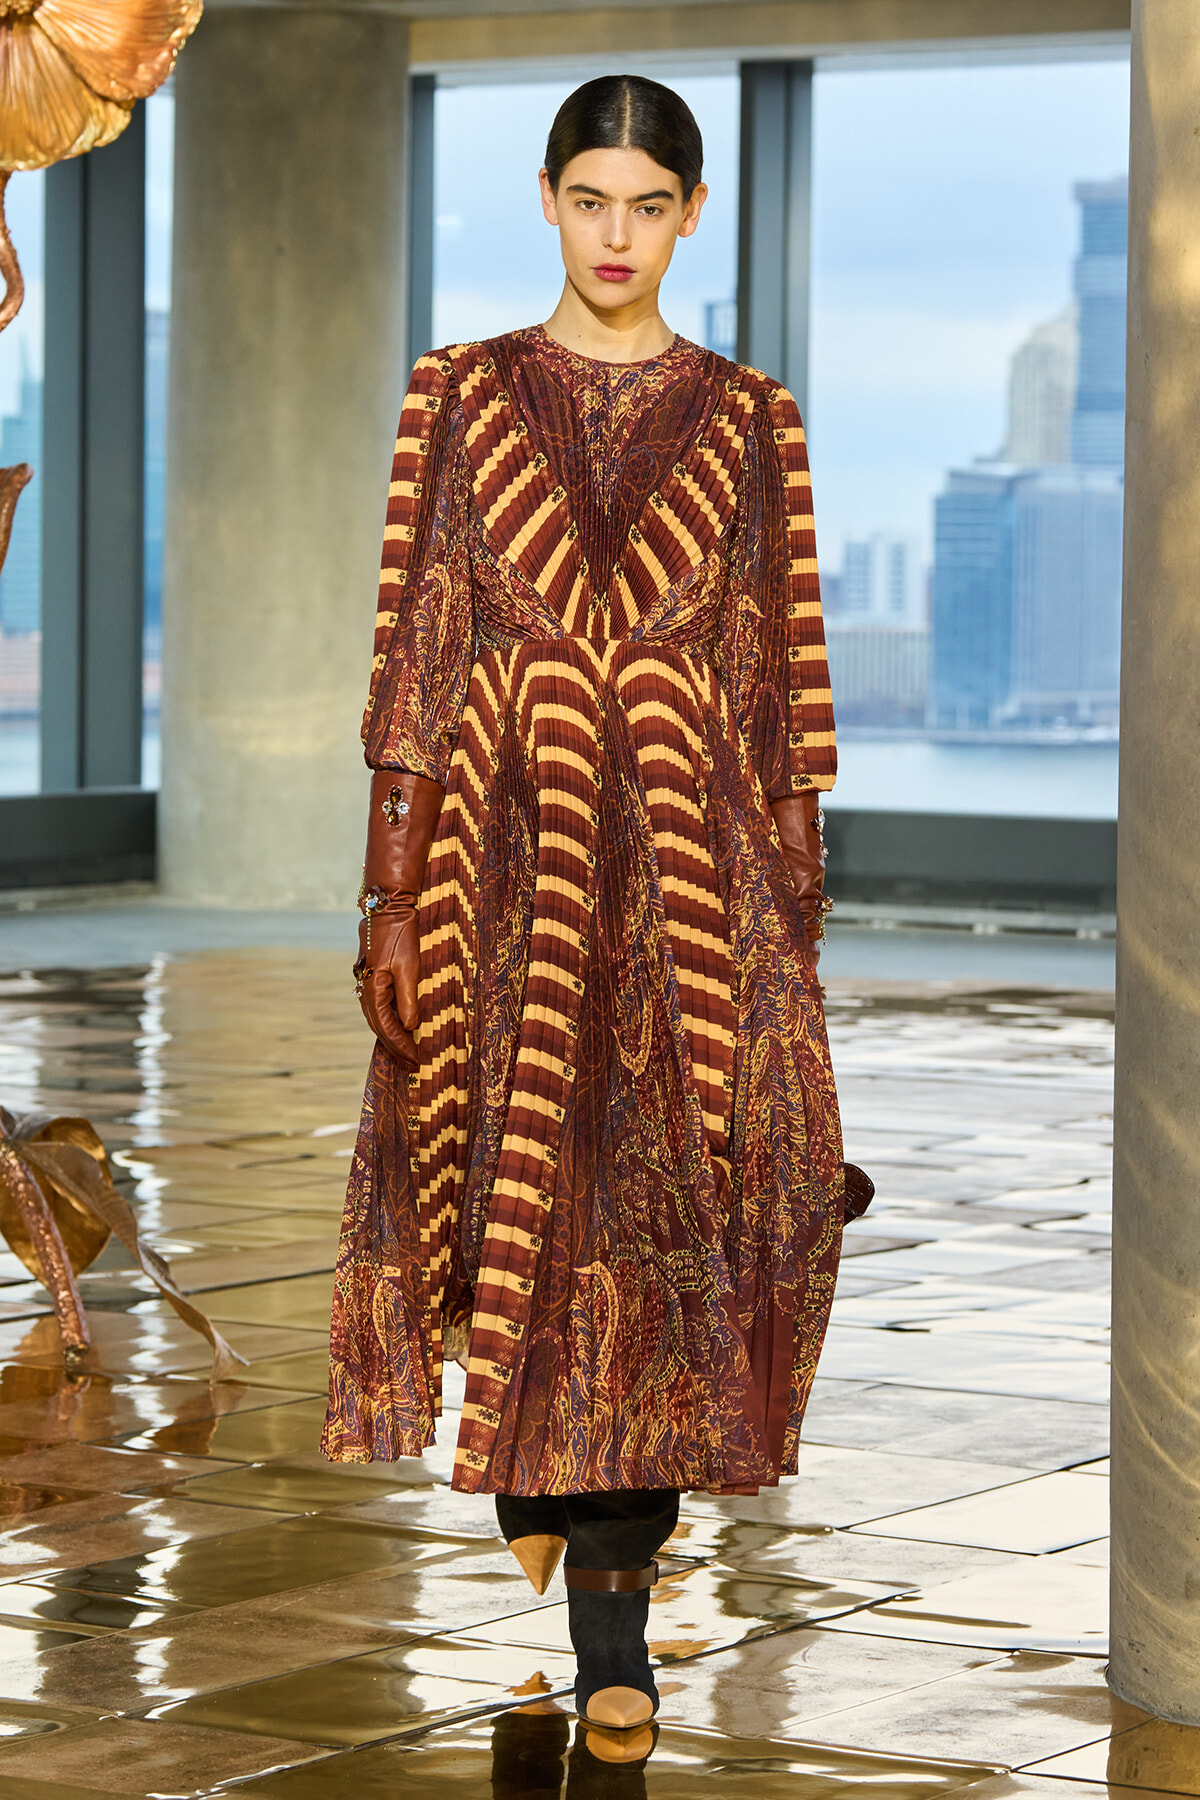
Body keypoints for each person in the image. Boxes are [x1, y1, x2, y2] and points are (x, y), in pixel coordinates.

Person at [323, 72, 845, 1735]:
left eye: (650, 205)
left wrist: (795, 938)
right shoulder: (456, 396)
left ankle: (616, 1623)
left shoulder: (755, 418)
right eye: (590, 200)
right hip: (498, 852)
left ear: (691, 215)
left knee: (678, 1218)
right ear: (546, 199)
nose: (617, 236)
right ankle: (539, 1493)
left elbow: (781, 689)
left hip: (698, 864)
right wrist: (387, 897)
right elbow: (415, 650)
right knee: (499, 1189)